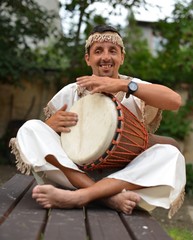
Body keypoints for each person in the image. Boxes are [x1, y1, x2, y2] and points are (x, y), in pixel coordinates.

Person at [10, 25, 186, 218]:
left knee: (171, 154)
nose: (106, 57)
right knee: (29, 128)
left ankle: (83, 196)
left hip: (124, 178)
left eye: (113, 51)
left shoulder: (134, 87)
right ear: (88, 59)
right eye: (98, 51)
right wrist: (50, 127)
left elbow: (175, 101)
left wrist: (121, 84)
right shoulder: (71, 92)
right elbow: (44, 141)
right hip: (77, 176)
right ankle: (107, 198)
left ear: (122, 57)